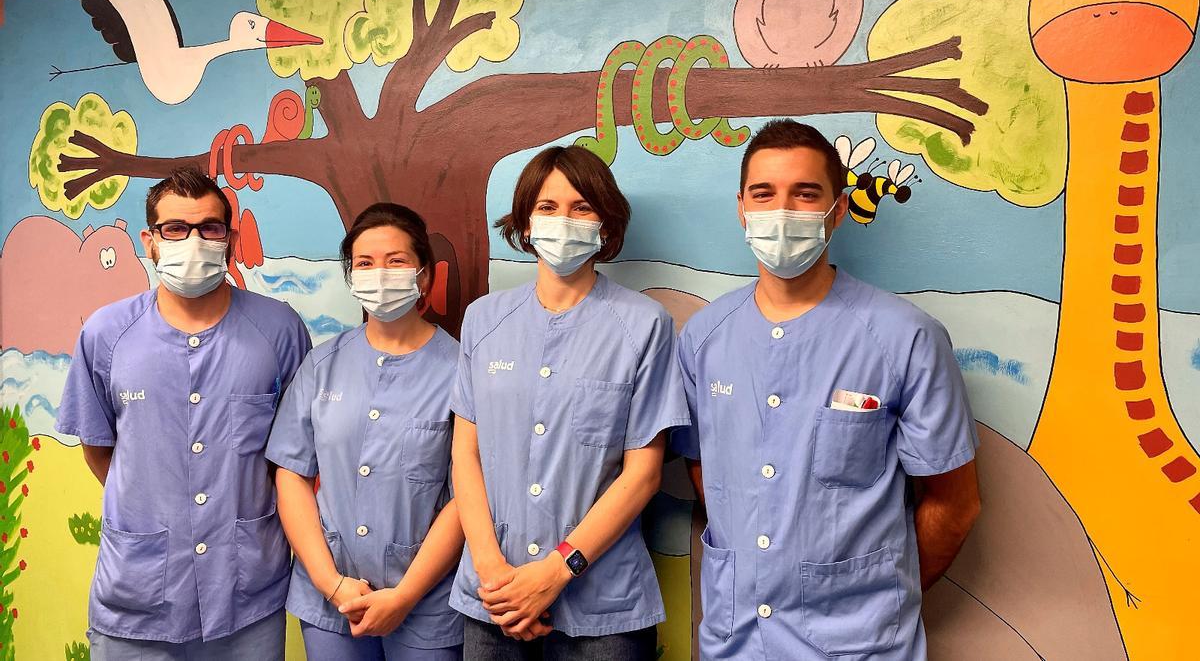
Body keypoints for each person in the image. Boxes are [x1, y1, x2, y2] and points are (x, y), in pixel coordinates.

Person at [672, 120, 982, 660]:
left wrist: (875, 600)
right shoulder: (704, 337)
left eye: (805, 193)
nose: (782, 211)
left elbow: (954, 505)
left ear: (837, 211)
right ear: (742, 209)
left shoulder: (905, 337)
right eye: (764, 194)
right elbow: (705, 467)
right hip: (734, 637)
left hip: (859, 645)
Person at [56, 167, 312, 660]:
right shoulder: (106, 334)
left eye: (209, 228)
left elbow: (295, 458)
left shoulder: (278, 330)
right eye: (175, 229)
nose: (193, 241)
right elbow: (99, 448)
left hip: (246, 597)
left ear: (230, 239)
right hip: (138, 599)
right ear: (149, 241)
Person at [449, 145, 689, 659]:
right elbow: (465, 454)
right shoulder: (483, 320)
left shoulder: (645, 325)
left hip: (602, 605)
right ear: (526, 222)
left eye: (582, 207)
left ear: (605, 223)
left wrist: (557, 571)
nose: (564, 220)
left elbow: (642, 474)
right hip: (493, 598)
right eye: (547, 207)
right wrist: (493, 573)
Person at [266, 203, 465, 660]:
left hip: (426, 602)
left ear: (425, 277)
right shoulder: (321, 365)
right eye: (365, 263)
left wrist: (406, 594)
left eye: (396, 261)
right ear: (351, 277)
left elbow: (465, 495)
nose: (380, 274)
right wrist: (330, 583)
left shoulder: (459, 371)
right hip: (331, 598)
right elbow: (292, 475)